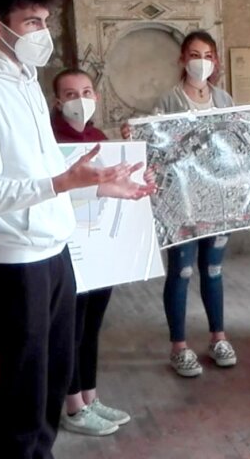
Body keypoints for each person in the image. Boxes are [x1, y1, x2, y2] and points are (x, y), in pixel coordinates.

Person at [0, 0, 153, 457]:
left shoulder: (24, 81)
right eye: (31, 22)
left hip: (54, 256)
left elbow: (42, 171)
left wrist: (101, 186)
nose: (43, 32)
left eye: (45, 21)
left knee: (53, 385)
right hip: (11, 267)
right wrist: (61, 182)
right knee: (20, 400)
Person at [122, 30, 241, 377]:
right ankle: (179, 346)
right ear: (182, 59)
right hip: (181, 202)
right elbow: (155, 146)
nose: (201, 62)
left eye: (207, 55)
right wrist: (134, 136)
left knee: (213, 269)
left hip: (218, 201)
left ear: (215, 61)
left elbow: (239, 141)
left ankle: (218, 337)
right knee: (182, 270)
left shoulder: (224, 99)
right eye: (194, 55)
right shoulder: (169, 101)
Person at [49, 68, 154, 435]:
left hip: (100, 251)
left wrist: (141, 175)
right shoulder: (50, 142)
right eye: (70, 94)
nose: (80, 100)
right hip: (67, 251)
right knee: (71, 329)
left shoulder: (100, 140)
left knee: (91, 327)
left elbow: (120, 186)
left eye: (86, 91)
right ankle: (73, 406)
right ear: (58, 102)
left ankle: (90, 398)